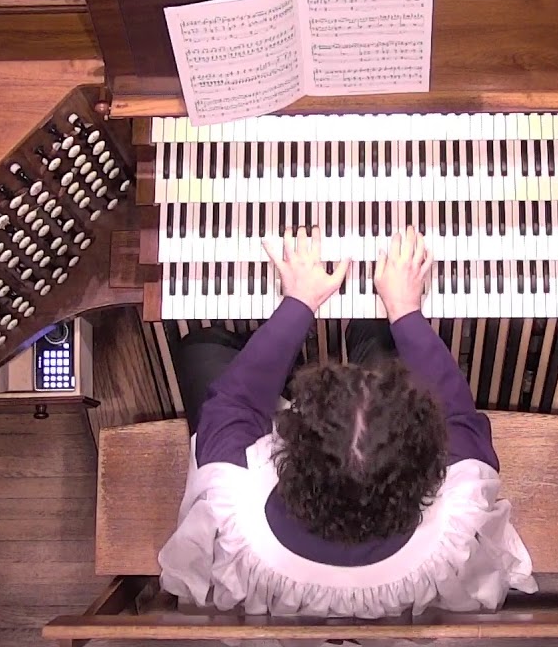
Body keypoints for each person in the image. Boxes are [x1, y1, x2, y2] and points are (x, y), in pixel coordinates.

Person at [157, 225, 537, 617]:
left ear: (287, 455)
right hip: (396, 590)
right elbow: (459, 416)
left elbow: (232, 402)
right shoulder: (458, 522)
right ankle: (369, 333)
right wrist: (404, 310)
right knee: (376, 335)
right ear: (422, 466)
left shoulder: (231, 506)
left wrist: (299, 301)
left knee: (200, 348)